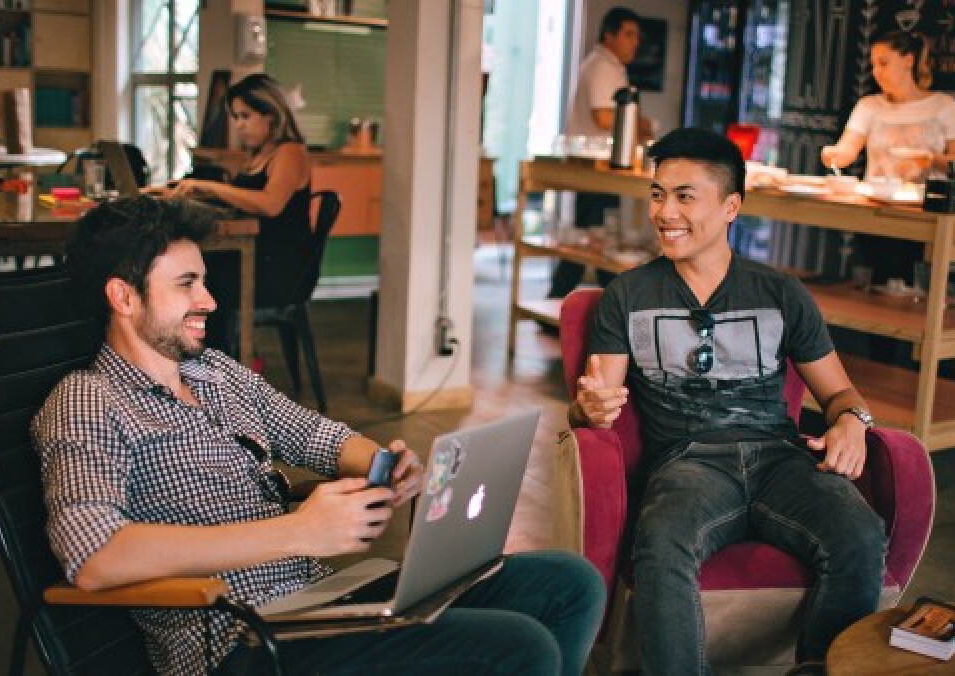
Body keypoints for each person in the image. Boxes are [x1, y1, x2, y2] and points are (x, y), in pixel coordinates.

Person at [32, 196, 605, 675]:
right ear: (123, 296)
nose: (209, 300)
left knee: (569, 584)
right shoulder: (88, 400)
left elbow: (316, 436)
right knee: (519, 649)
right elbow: (95, 556)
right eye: (187, 284)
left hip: (319, 603)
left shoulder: (216, 373)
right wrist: (297, 531)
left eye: (203, 281)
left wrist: (382, 464)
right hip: (243, 643)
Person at [570, 128, 886, 676]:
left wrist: (853, 423)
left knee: (858, 534)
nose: (665, 212)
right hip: (687, 463)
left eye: (685, 196)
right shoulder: (628, 295)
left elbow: (839, 392)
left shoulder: (781, 293)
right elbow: (597, 400)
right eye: (657, 194)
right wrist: (587, 411)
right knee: (663, 542)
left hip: (782, 460)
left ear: (731, 206)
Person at [149, 74, 313, 352]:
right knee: (188, 273)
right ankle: (196, 360)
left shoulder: (290, 153)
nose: (238, 125)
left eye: (245, 116)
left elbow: (270, 203)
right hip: (259, 254)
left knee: (194, 280)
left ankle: (210, 365)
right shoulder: (260, 154)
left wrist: (208, 187)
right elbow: (244, 200)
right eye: (236, 117)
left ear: (271, 116)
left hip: (277, 268)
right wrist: (187, 192)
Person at [547, 6, 651, 302]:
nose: (635, 42)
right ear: (610, 35)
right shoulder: (601, 66)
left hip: (605, 168)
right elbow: (605, 118)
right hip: (595, 168)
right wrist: (641, 124)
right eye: (629, 34)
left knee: (597, 239)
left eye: (637, 36)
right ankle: (563, 304)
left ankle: (587, 305)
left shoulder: (611, 67)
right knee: (593, 241)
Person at [821, 30, 955, 183]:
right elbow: (848, 150)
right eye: (873, 65)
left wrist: (932, 160)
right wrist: (834, 155)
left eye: (884, 63)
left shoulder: (944, 105)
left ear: (909, 60)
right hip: (876, 200)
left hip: (927, 201)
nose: (876, 72)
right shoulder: (868, 106)